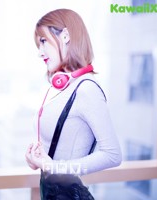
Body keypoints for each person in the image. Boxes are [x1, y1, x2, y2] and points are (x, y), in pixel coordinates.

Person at [25, 8, 122, 195]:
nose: (40, 52)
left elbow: (113, 155)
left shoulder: (86, 89)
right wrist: (36, 158)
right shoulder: (62, 86)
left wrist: (53, 166)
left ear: (66, 36)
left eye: (43, 41)